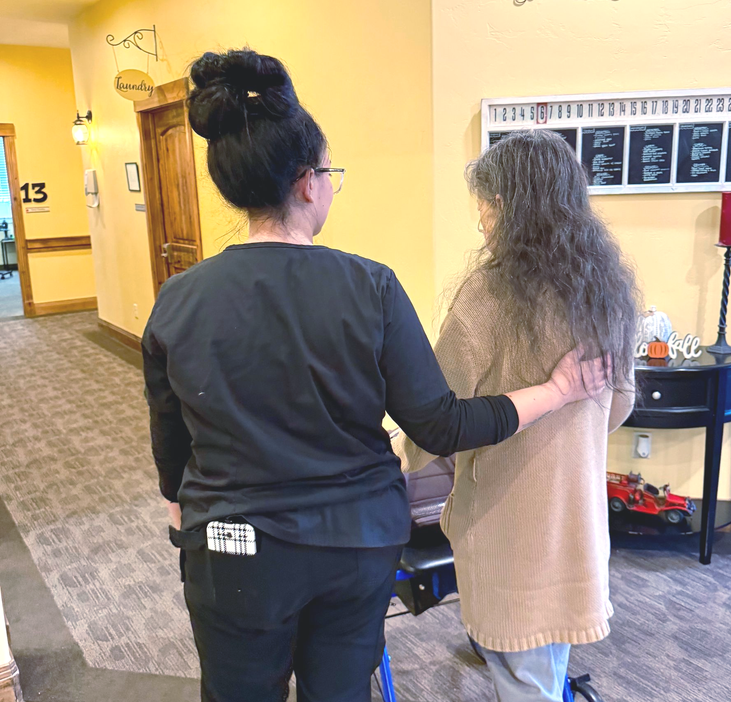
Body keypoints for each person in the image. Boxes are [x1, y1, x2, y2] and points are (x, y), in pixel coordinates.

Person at [141, 51, 610, 702]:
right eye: (330, 173)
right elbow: (441, 423)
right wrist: (557, 391)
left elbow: (170, 432)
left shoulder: (179, 298)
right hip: (354, 543)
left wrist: (178, 502)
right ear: (308, 183)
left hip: (234, 545)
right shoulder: (371, 286)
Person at [394, 130, 640, 702]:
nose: (480, 218)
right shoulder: (603, 291)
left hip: (510, 528)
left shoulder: (489, 295)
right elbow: (619, 405)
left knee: (524, 675)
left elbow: (435, 414)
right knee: (544, 660)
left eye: (485, 201)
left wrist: (396, 458)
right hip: (575, 523)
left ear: (507, 204)